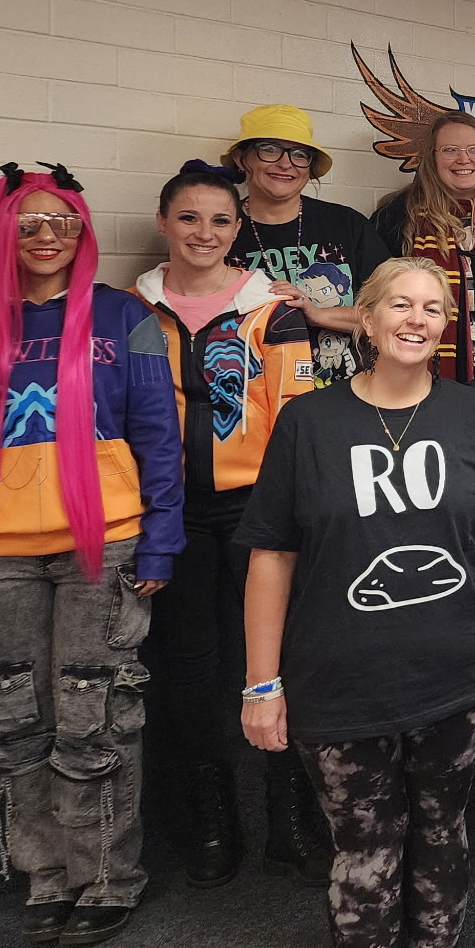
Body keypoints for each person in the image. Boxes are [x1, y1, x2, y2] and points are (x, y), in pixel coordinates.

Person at [238, 257, 475, 948]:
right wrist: (260, 683)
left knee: (444, 834)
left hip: (459, 676)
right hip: (340, 683)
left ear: (448, 328)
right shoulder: (308, 424)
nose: (417, 319)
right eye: (399, 305)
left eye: (433, 309)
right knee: (364, 850)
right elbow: (270, 556)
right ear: (365, 321)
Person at [0, 165, 183, 947]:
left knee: (93, 713)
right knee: (14, 721)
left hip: (103, 544)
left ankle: (106, 875)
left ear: (80, 232)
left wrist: (164, 535)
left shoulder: (123, 316)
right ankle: (45, 875)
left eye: (59, 222)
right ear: (3, 233)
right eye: (27, 223)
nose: (44, 236)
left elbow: (158, 435)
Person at [134, 161, 325, 889]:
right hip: (172, 512)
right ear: (164, 224)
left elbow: (297, 421)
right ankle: (210, 819)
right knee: (187, 668)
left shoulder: (271, 310)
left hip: (256, 509)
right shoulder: (130, 311)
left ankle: (291, 815)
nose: (204, 233)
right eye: (189, 218)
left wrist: (291, 517)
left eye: (219, 220)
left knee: (277, 658)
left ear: (237, 228)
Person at [225, 103, 388, 387]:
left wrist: (317, 313)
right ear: (242, 158)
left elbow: (392, 314)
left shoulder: (346, 224)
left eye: (299, 154)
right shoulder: (220, 230)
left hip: (344, 397)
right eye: (270, 149)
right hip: (251, 399)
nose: (286, 163)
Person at [373, 111, 475, 382]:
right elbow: (374, 302)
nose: (464, 159)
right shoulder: (399, 219)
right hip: (418, 379)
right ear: (432, 158)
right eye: (450, 150)